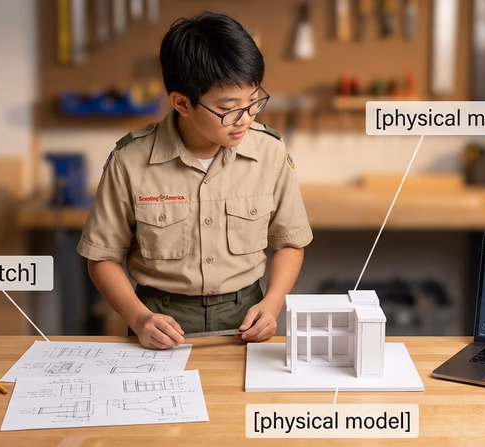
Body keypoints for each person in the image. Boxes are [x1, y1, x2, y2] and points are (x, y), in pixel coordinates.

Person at [77, 12, 312, 350]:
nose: (245, 119)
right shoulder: (130, 161)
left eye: (253, 101)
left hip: (245, 318)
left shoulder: (270, 153)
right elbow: (102, 258)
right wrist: (139, 319)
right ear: (182, 103)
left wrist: (272, 304)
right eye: (229, 108)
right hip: (158, 321)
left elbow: (290, 242)